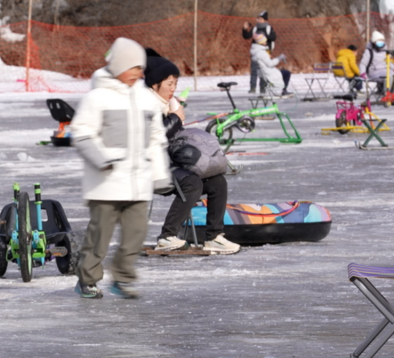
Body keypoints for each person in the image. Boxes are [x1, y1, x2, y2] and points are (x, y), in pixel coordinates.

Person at [69, 37, 170, 300]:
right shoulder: (97, 97)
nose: (139, 73)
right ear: (119, 66)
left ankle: (123, 278)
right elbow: (81, 133)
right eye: (133, 67)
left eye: (140, 68)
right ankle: (87, 279)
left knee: (136, 234)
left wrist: (160, 175)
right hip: (106, 183)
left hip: (139, 183)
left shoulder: (146, 99)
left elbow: (156, 138)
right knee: (99, 237)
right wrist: (102, 160)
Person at [144, 52, 240, 255]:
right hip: (150, 168)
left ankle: (214, 237)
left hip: (170, 164)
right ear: (154, 84)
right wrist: (175, 119)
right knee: (192, 183)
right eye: (169, 83)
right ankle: (166, 236)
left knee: (217, 182)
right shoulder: (145, 105)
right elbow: (152, 137)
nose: (173, 88)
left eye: (175, 83)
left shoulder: (166, 105)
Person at [242, 11, 278, 94]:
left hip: (265, 52)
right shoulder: (255, 28)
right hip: (256, 52)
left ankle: (263, 88)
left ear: (265, 20)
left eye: (261, 19)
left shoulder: (269, 28)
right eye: (258, 19)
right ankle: (252, 88)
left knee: (263, 71)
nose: (259, 20)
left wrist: (263, 36)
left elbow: (273, 37)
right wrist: (244, 29)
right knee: (254, 70)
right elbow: (246, 36)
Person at [249, 33, 291, 97]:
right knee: (287, 73)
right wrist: (279, 58)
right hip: (269, 74)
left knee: (283, 71)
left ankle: (283, 90)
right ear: (261, 42)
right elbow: (270, 64)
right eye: (264, 40)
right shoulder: (261, 53)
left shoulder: (255, 52)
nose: (266, 41)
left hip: (264, 74)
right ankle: (284, 90)